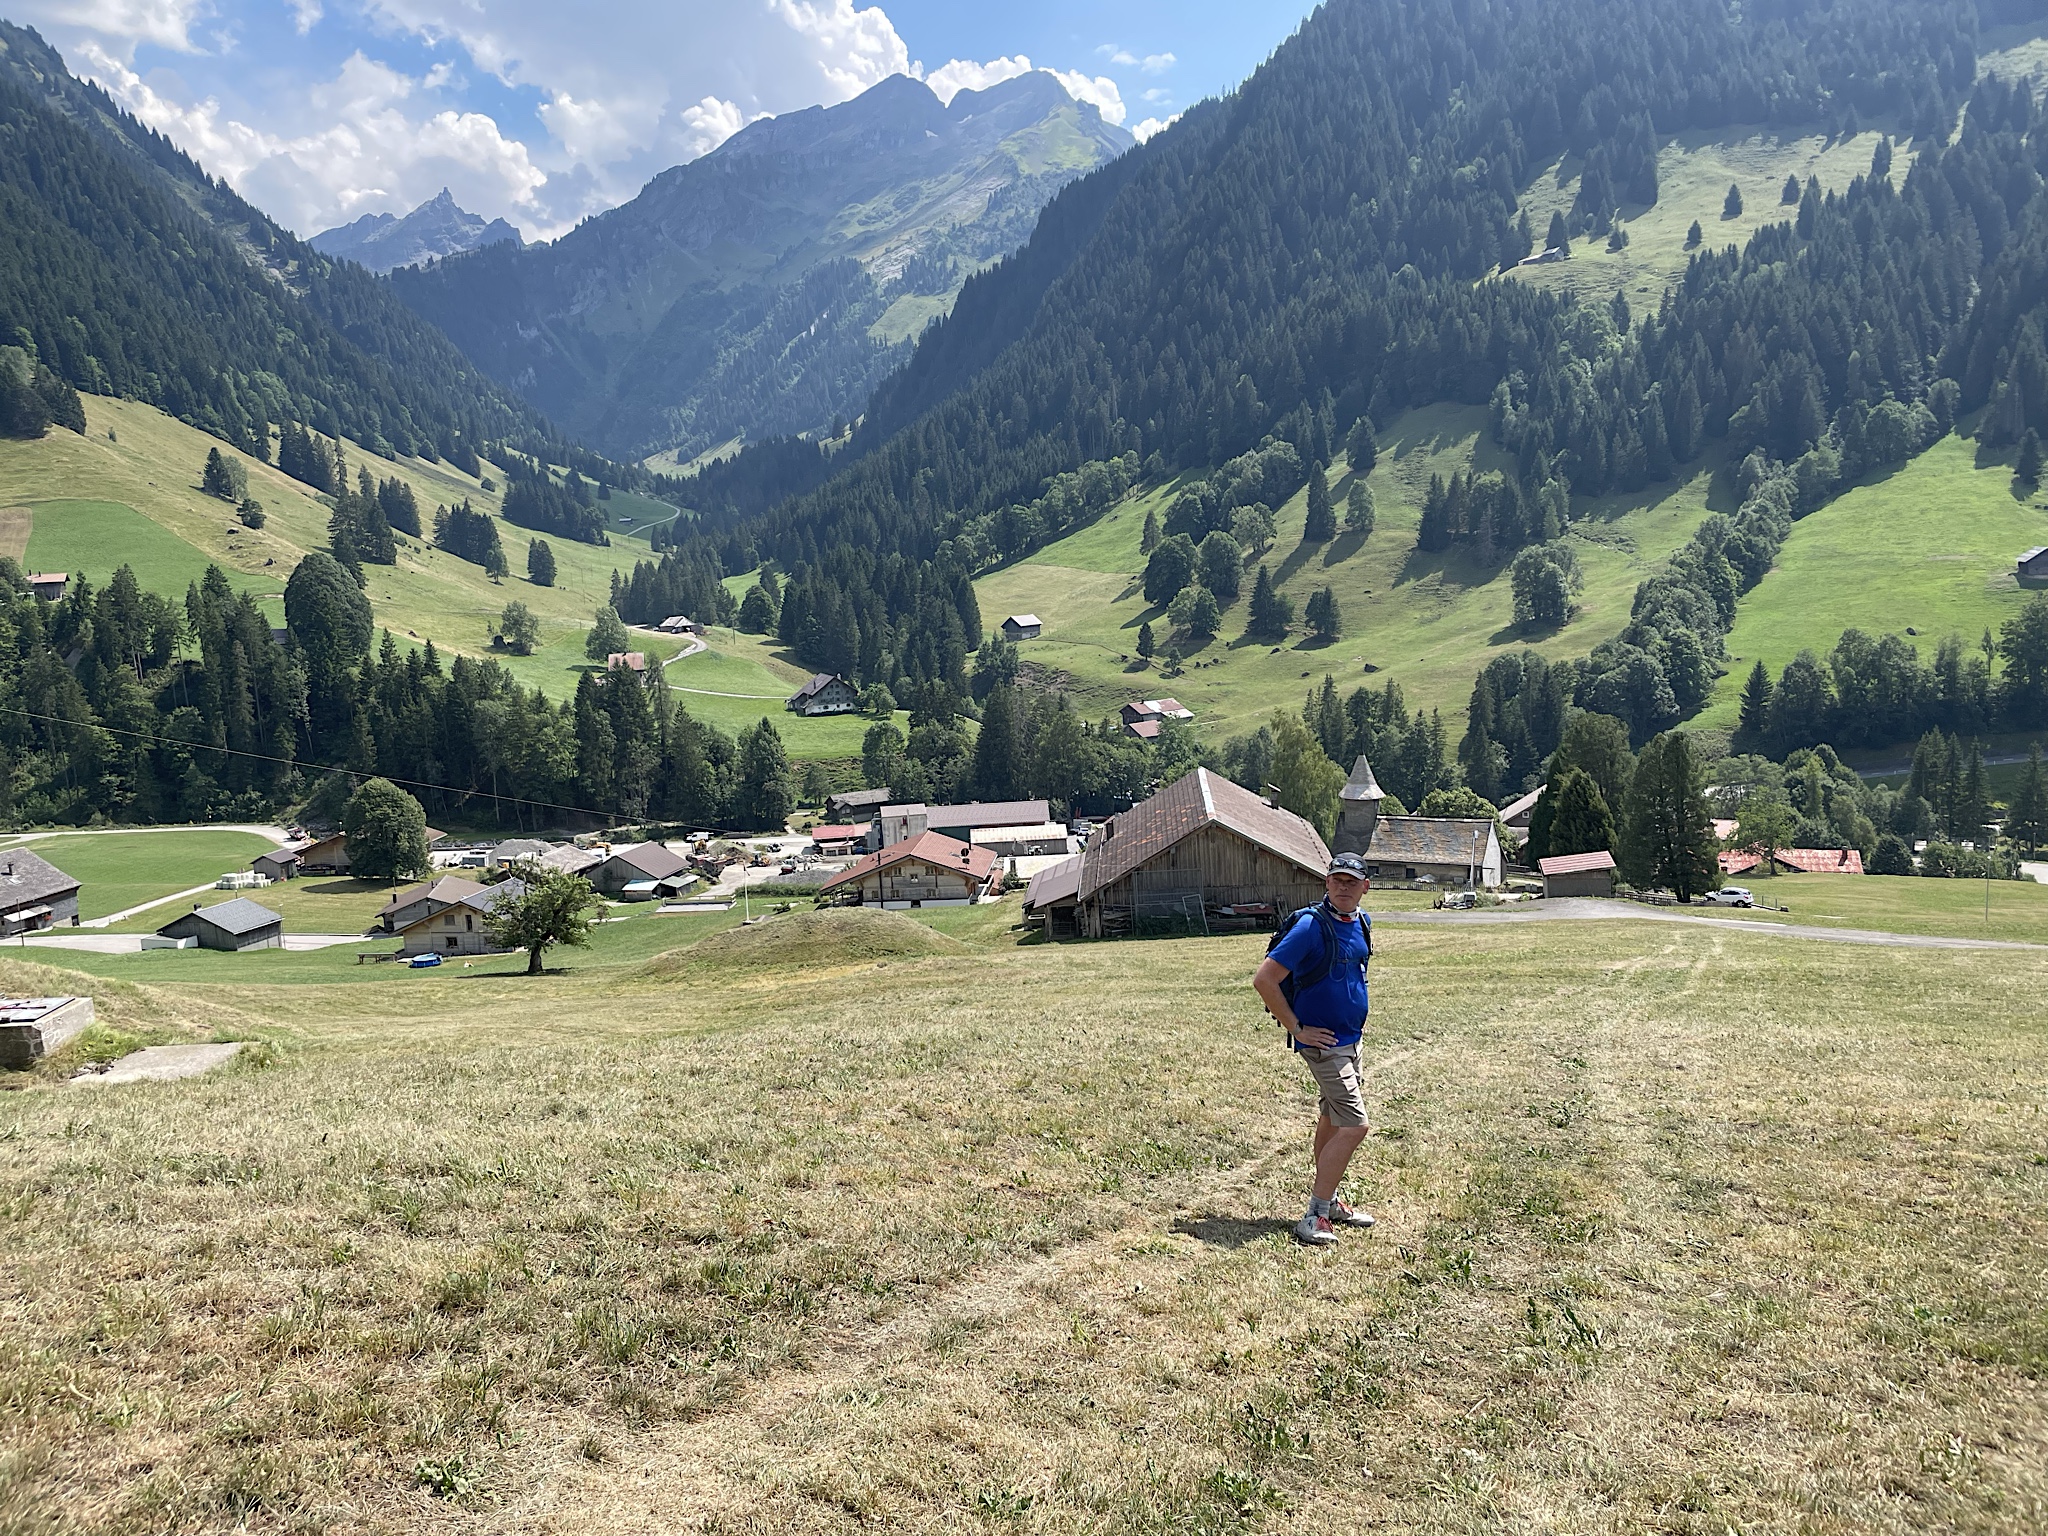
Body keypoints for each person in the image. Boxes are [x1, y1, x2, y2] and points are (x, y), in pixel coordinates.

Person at [1251, 851, 1376, 1246]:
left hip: (1350, 1039)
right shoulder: (1310, 926)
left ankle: (1330, 1202)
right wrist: (1298, 1029)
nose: (1343, 887)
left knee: (1333, 1119)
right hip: (1324, 1045)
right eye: (1337, 880)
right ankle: (1315, 1214)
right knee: (1355, 1125)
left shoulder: (1361, 922)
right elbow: (1264, 980)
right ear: (1326, 882)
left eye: (1352, 882)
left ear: (1365, 887)